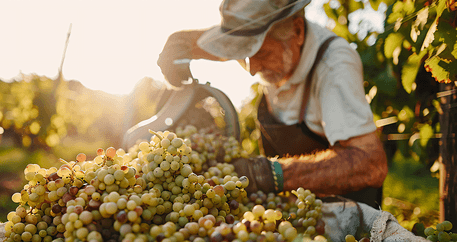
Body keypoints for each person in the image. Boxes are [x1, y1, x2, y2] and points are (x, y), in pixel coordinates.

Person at [157, 0, 388, 208]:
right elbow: (223, 44)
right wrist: (179, 43)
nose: (252, 69)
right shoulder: (263, 48)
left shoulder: (334, 65)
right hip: (294, 208)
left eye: (262, 54)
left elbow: (370, 164)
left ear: (297, 31)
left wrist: (268, 174)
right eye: (243, 55)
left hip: (348, 211)